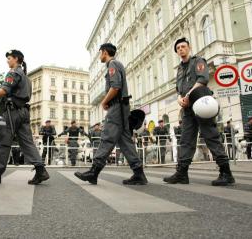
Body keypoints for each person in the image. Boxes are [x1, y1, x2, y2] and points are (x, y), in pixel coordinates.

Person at [163, 37, 234, 186]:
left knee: (210, 136)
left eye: (183, 46)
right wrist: (179, 98)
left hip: (202, 103)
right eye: (178, 48)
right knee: (186, 139)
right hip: (187, 109)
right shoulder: (180, 69)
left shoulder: (198, 61)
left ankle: (226, 173)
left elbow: (202, 80)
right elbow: (178, 89)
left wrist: (188, 96)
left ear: (189, 47)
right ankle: (182, 173)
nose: (181, 49)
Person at [0, 50, 49, 185]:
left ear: (16, 59)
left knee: (4, 142)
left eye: (9, 58)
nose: (7, 61)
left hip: (12, 113)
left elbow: (4, 91)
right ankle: (41, 170)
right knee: (27, 142)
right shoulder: (26, 78)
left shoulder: (13, 73)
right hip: (24, 112)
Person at [74, 43, 147, 185]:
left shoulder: (112, 64)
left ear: (104, 52)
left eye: (100, 52)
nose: (100, 55)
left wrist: (104, 102)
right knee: (125, 141)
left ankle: (94, 172)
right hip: (122, 107)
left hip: (117, 108)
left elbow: (115, 86)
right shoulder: (117, 64)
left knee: (107, 137)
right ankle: (139, 173)